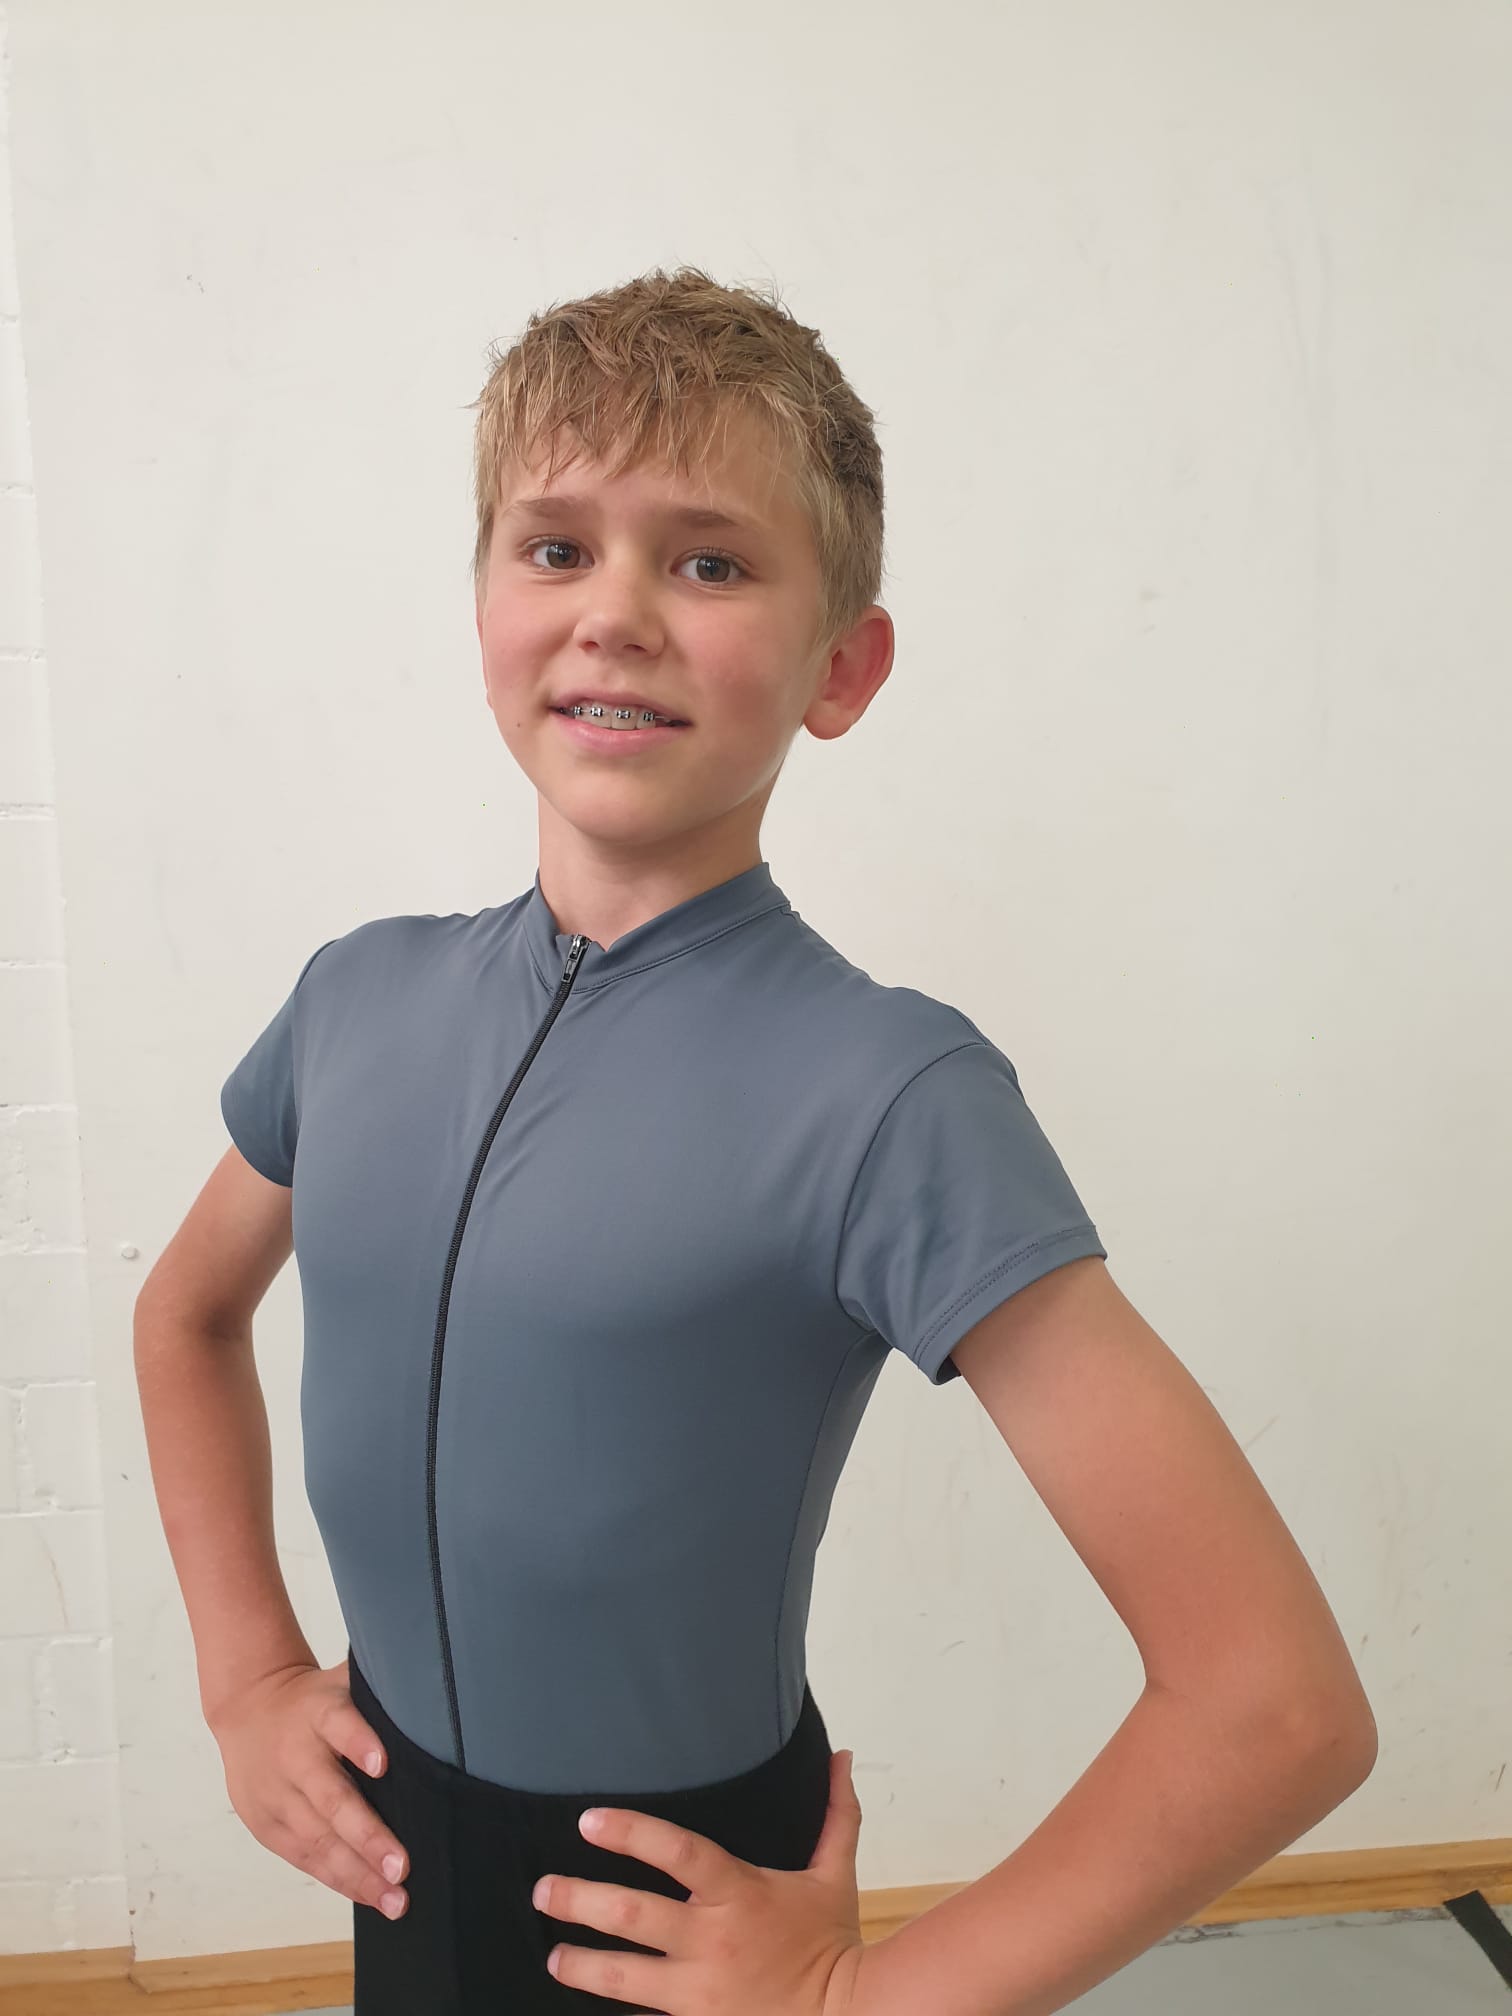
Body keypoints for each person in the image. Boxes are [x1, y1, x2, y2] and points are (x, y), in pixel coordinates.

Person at [135, 266, 1377, 2016]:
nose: (615, 614)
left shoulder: (886, 1095)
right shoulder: (356, 1001)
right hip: (390, 1842)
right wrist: (248, 1677)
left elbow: (1277, 1701)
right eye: (555, 547)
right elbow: (182, 1315)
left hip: (683, 1916)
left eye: (709, 563)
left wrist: (851, 1999)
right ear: (483, 602)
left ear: (839, 667)